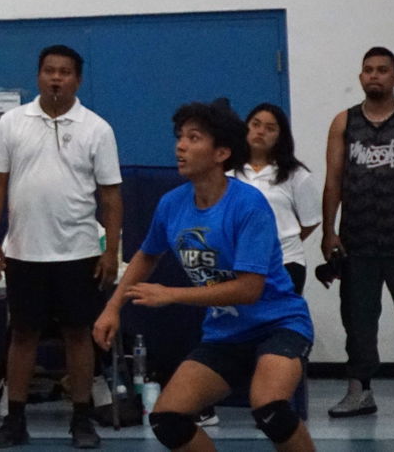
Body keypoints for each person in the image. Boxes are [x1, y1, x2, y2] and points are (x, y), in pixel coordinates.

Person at [94, 100, 316, 452]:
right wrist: (112, 308)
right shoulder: (172, 204)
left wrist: (172, 294)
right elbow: (146, 255)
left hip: (278, 325)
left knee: (270, 407)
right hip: (226, 333)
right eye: (179, 137)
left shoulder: (249, 205)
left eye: (193, 138)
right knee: (168, 418)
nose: (180, 146)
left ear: (221, 153)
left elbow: (249, 289)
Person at [0, 45, 122, 450]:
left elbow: (111, 196)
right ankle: (15, 420)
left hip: (78, 252)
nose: (56, 78)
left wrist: (110, 250)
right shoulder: (11, 123)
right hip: (24, 252)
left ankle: (81, 419)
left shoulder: (98, 128)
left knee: (80, 335)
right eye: (48, 71)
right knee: (22, 335)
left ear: (77, 79)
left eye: (64, 72)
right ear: (38, 76)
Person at [320, 46, 394, 419]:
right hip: (358, 240)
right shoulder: (344, 122)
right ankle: (359, 392)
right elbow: (333, 180)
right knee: (358, 321)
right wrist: (328, 232)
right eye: (368, 70)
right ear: (360, 78)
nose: (374, 76)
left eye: (382, 70)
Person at [231, 103, 320, 294]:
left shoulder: (296, 174)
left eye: (270, 128)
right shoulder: (228, 172)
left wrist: (278, 240)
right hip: (238, 262)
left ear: (280, 137)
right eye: (255, 124)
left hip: (285, 262)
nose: (260, 132)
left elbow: (310, 221)